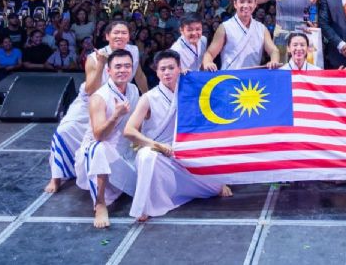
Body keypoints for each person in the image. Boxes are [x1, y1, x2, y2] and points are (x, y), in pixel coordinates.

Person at [124, 50, 231, 222]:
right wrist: (155, 145)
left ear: (179, 69)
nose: (167, 73)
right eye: (163, 69)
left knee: (215, 188)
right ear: (156, 72)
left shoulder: (189, 92)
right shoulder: (148, 98)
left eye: (171, 68)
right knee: (146, 157)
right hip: (157, 152)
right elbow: (129, 131)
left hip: (183, 150)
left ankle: (214, 182)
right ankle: (143, 207)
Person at [45, 20, 147, 194]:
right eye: (116, 33)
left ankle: (111, 172)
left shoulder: (133, 51)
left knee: (125, 136)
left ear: (129, 36)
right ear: (107, 36)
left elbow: (139, 76)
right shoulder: (95, 57)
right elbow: (91, 89)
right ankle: (56, 177)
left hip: (119, 99)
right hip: (91, 101)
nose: (120, 36)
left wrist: (147, 98)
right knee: (64, 130)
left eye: (124, 33)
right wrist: (101, 64)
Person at [75, 49, 141, 228]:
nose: (123, 70)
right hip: (97, 150)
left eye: (127, 66)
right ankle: (100, 203)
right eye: (118, 66)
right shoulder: (99, 97)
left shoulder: (133, 90)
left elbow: (137, 121)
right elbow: (99, 135)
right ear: (109, 71)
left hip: (124, 149)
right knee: (99, 148)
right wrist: (116, 115)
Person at [202, 0, 281, 70]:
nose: (246, 6)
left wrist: (274, 61)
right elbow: (209, 53)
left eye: (250, 2)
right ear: (235, 4)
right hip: (229, 78)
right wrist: (208, 63)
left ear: (255, 4)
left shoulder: (262, 28)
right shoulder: (225, 27)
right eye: (242, 2)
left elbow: (273, 51)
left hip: (253, 80)